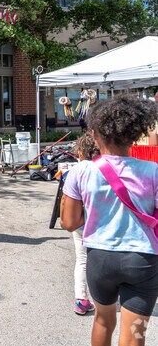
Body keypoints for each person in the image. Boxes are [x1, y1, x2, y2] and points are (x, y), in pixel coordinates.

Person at [61, 94, 158, 346]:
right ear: (134, 136)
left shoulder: (80, 171)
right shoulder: (153, 171)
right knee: (135, 330)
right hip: (143, 259)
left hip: (100, 258)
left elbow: (69, 223)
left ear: (94, 134)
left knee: (103, 321)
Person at [67, 133, 100, 316]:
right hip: (101, 223)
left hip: (80, 223)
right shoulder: (105, 168)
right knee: (101, 259)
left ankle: (81, 299)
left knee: (82, 260)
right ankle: (103, 298)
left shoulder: (76, 170)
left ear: (80, 151)